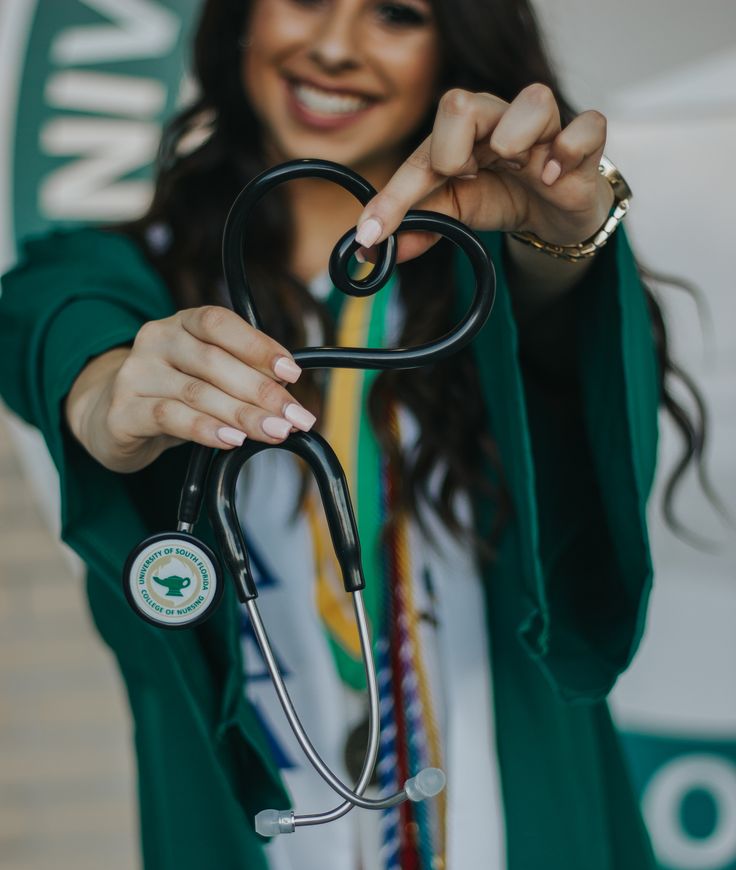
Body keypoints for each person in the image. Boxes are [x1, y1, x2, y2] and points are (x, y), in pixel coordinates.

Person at [1, 0, 685, 867]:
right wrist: (110, 393)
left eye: (395, 14)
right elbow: (55, 323)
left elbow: (570, 364)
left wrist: (558, 244)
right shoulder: (129, 278)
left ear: (458, 45)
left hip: (521, 820)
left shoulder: (487, 293)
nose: (332, 46)